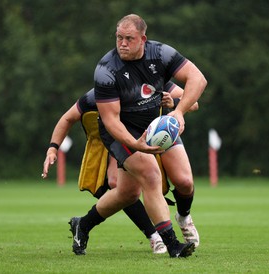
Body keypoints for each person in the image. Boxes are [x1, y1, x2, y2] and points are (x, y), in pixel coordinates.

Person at [70, 14, 207, 258]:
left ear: (142, 39)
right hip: (122, 133)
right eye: (119, 38)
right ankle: (172, 244)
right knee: (151, 175)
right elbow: (110, 120)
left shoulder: (161, 54)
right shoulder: (106, 70)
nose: (122, 43)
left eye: (129, 38)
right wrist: (135, 145)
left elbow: (198, 79)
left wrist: (178, 111)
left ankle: (84, 224)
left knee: (137, 191)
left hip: (157, 126)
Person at [42, 82, 190, 254]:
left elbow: (193, 102)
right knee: (130, 180)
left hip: (145, 138)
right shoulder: (100, 93)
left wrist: (175, 102)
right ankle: (161, 238)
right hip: (120, 139)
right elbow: (68, 117)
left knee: (127, 192)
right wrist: (53, 148)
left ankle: (82, 224)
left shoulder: (154, 78)